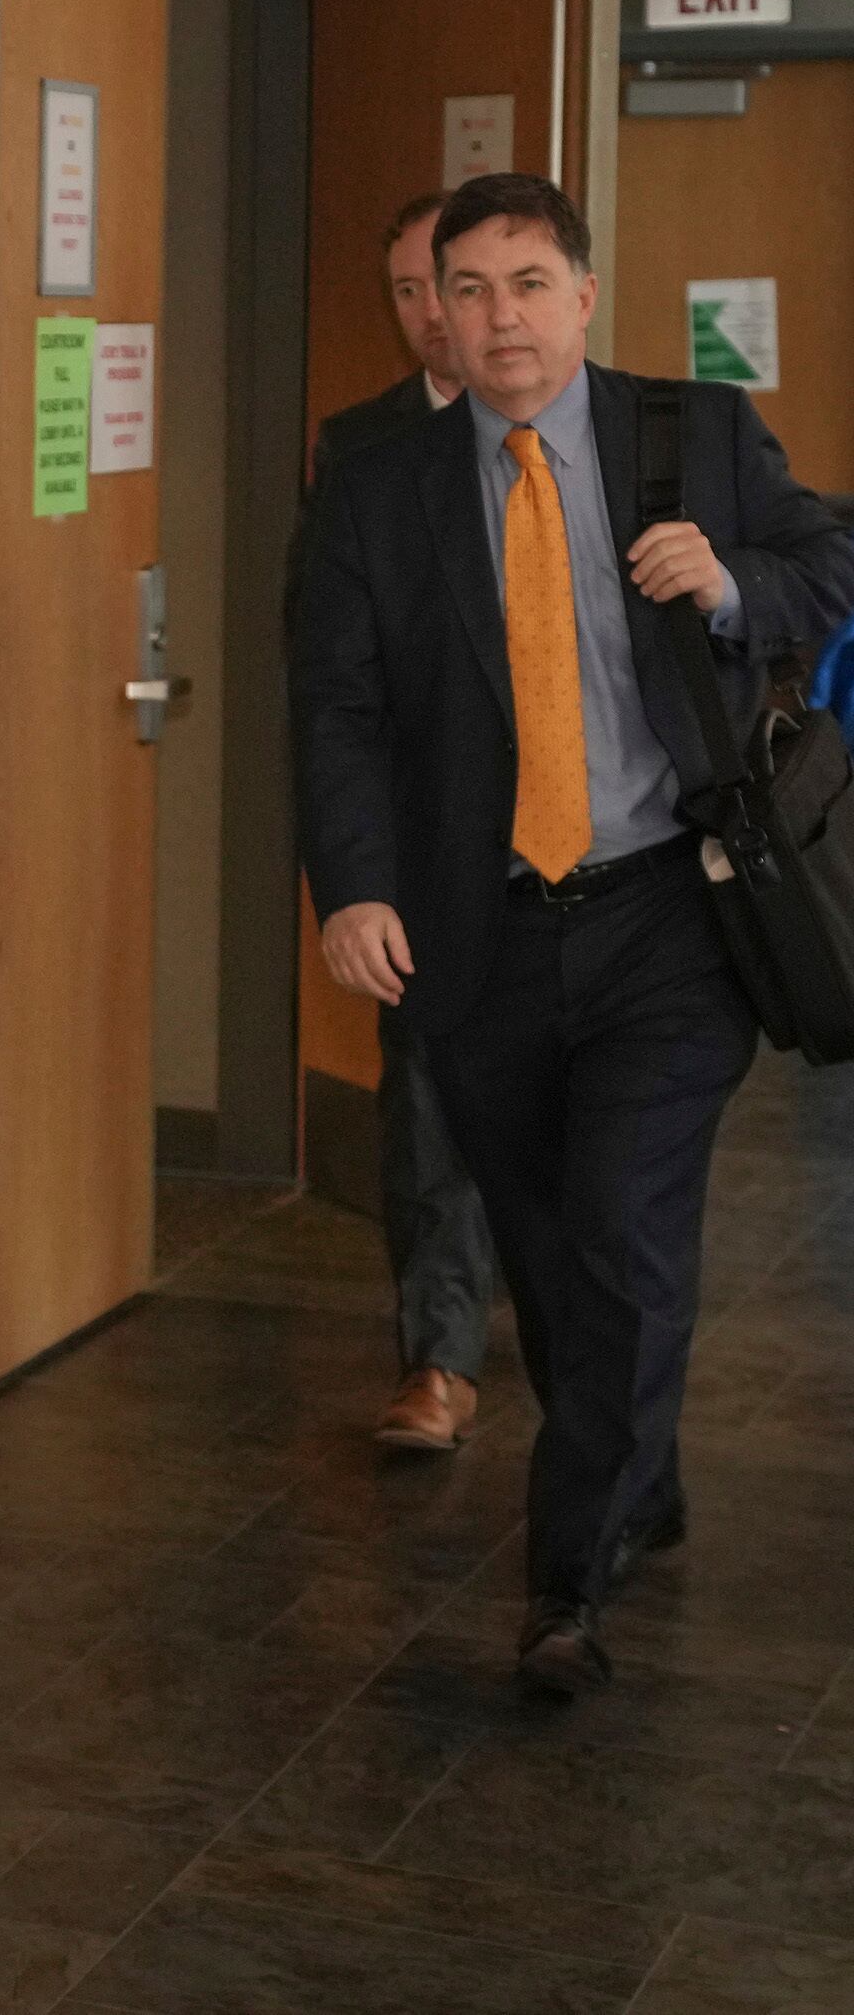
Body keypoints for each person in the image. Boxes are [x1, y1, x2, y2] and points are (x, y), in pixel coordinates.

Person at [291, 171, 854, 1694]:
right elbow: (336, 706)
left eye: (528, 283)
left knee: (617, 1226)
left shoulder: (696, 437)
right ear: (434, 311)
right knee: (552, 1248)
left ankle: (563, 1586)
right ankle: (636, 1470)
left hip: (671, 911)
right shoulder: (380, 481)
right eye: (464, 289)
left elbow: (832, 562)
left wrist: (734, 582)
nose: (498, 318)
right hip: (479, 935)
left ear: (586, 295)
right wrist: (352, 884)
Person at [306, 193, 498, 1453]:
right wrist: (352, 872)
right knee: (424, 1105)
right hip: (426, 851)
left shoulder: (604, 439)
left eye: (458, 285)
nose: (437, 315)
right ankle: (436, 1359)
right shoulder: (361, 449)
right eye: (412, 292)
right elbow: (324, 679)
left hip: (583, 856)